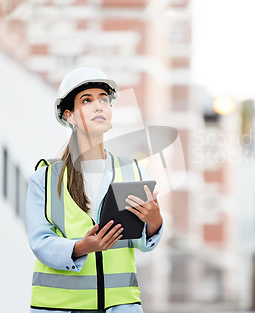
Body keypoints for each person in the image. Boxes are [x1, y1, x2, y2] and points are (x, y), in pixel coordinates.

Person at [26, 67, 163, 313]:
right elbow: (40, 242)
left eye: (103, 100)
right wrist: (81, 248)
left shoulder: (132, 171)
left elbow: (140, 242)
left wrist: (154, 223)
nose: (99, 106)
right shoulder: (45, 178)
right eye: (87, 101)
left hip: (120, 307)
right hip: (60, 308)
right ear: (70, 116)